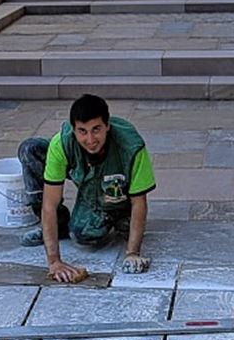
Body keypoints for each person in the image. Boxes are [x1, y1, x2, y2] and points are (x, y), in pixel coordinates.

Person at [17, 94, 156, 283]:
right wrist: (54, 261)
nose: (90, 139)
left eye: (96, 129)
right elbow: (49, 203)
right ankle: (55, 225)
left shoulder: (131, 147)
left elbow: (139, 202)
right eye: (82, 131)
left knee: (83, 234)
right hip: (84, 171)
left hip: (113, 190)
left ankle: (118, 217)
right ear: (73, 130)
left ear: (107, 126)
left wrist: (133, 252)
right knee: (30, 149)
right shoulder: (62, 143)